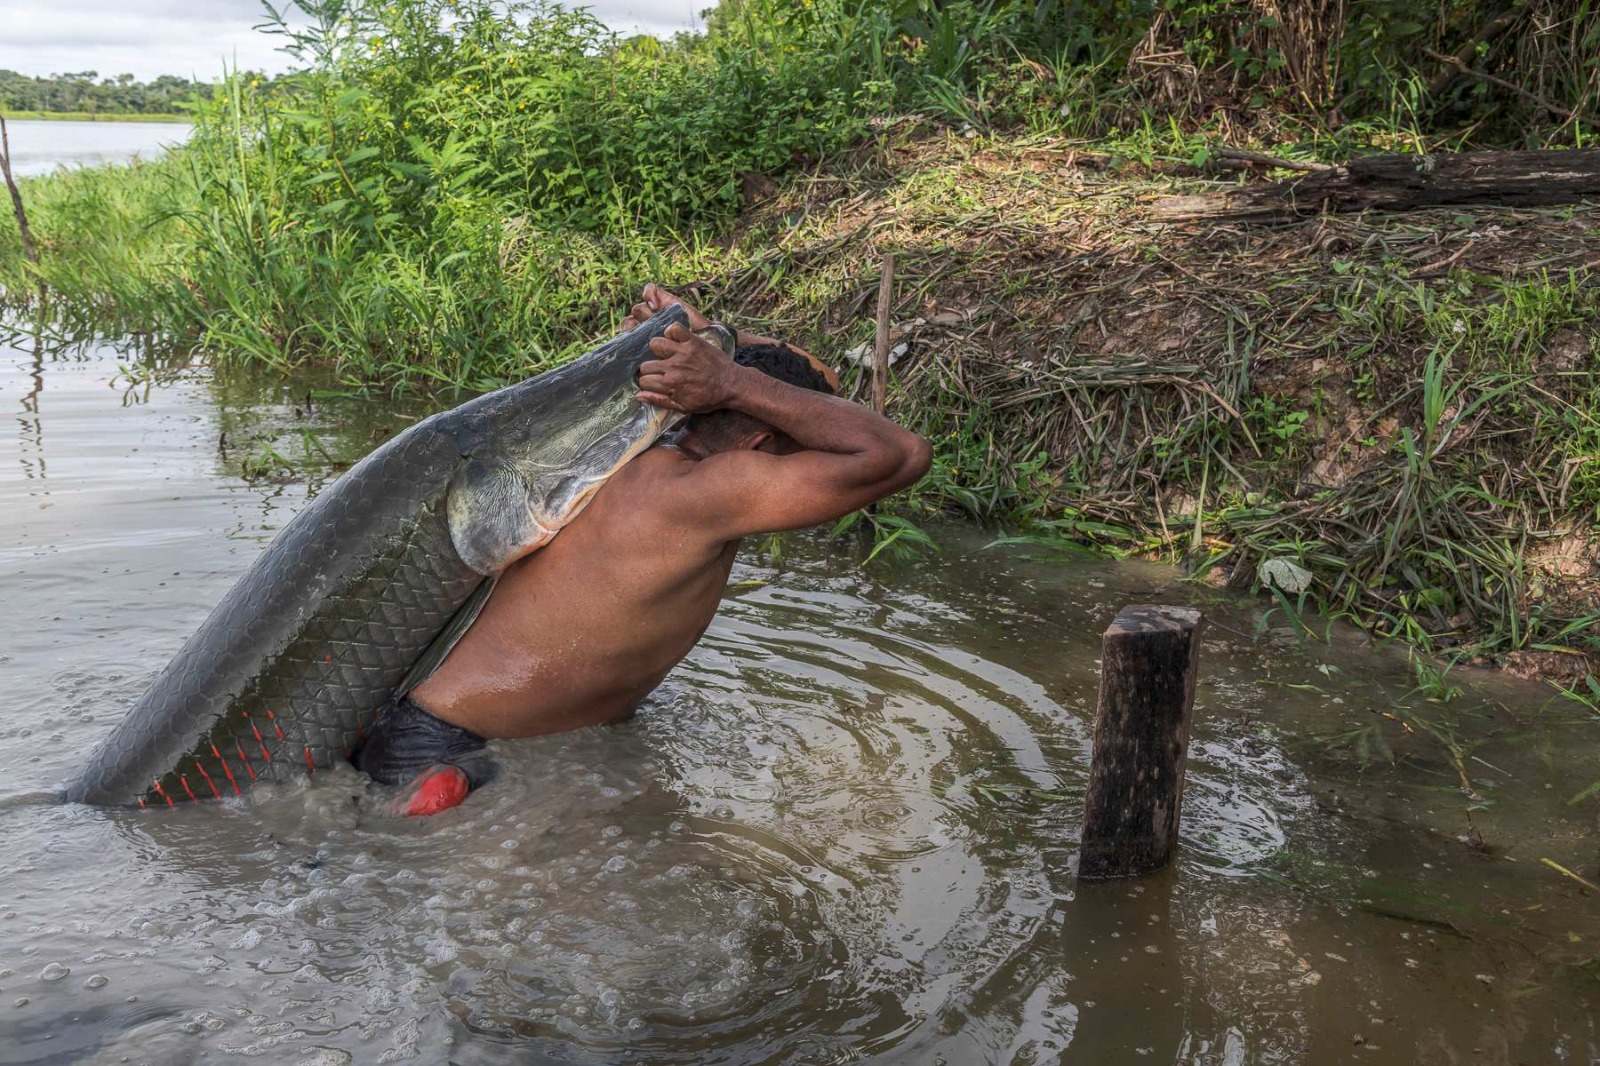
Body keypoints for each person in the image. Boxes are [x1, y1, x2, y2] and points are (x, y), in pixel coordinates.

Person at [353, 284, 933, 814]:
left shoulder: (644, 451)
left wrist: (709, 342)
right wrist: (733, 380)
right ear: (757, 444)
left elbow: (817, 380)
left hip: (463, 733)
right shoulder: (705, 491)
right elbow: (901, 453)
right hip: (437, 751)